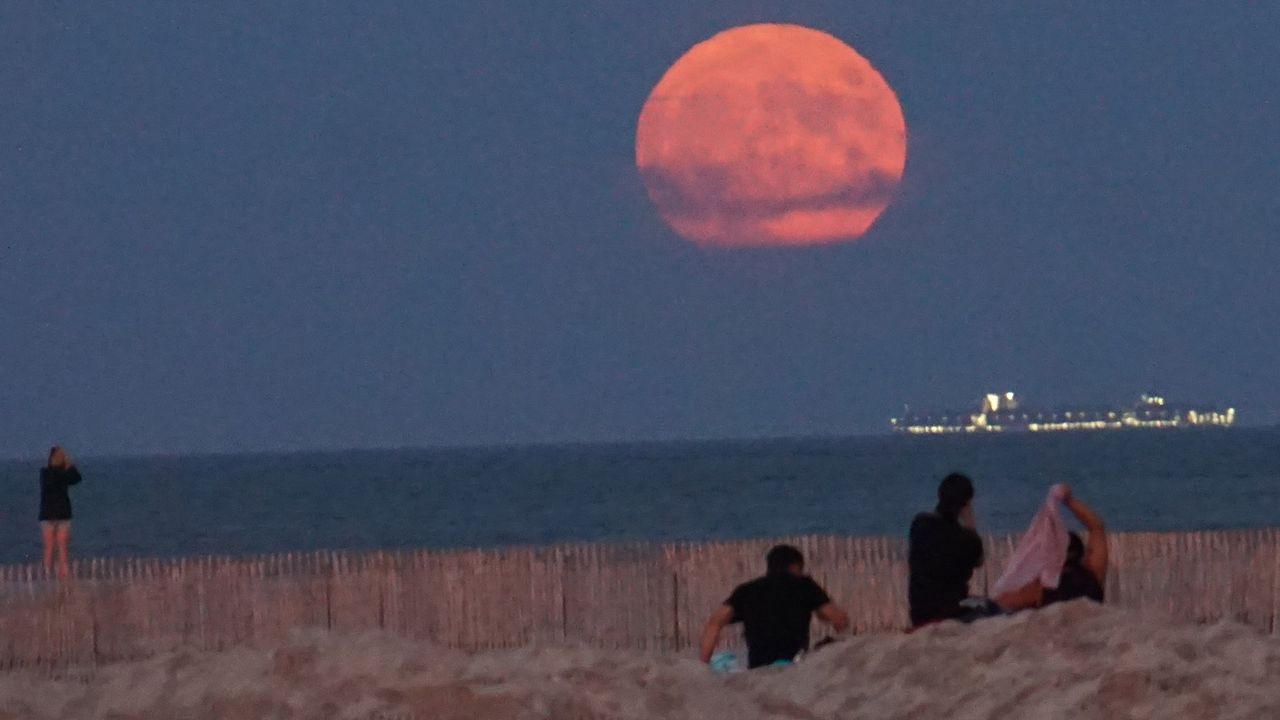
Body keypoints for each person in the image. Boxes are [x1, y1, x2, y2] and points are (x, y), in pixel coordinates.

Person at [699, 544, 850, 669]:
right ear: (796, 567)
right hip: (792, 663)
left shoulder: (746, 590)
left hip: (757, 666)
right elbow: (839, 619)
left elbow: (715, 622)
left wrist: (703, 665)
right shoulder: (804, 585)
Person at [995, 486, 1107, 611]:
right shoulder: (1093, 575)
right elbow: (1096, 527)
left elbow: (1001, 603)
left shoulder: (1041, 588)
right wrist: (1068, 500)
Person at [908, 472, 987, 627]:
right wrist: (970, 525)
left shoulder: (920, 524)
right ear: (966, 504)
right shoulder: (964, 538)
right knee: (992, 608)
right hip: (950, 613)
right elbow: (979, 560)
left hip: (919, 614)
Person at [39, 446, 82, 578]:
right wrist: (70, 465)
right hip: (62, 513)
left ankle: (47, 574)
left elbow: (75, 479)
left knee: (49, 547)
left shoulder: (45, 473)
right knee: (61, 547)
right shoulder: (64, 473)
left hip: (48, 513)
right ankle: (63, 575)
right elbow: (76, 478)